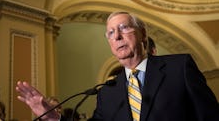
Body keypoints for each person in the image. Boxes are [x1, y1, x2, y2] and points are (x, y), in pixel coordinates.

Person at [16, 11, 219, 121]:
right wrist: (54, 118)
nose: (117, 36)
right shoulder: (107, 93)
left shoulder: (179, 67)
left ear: (143, 34)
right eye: (111, 33)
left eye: (124, 28)